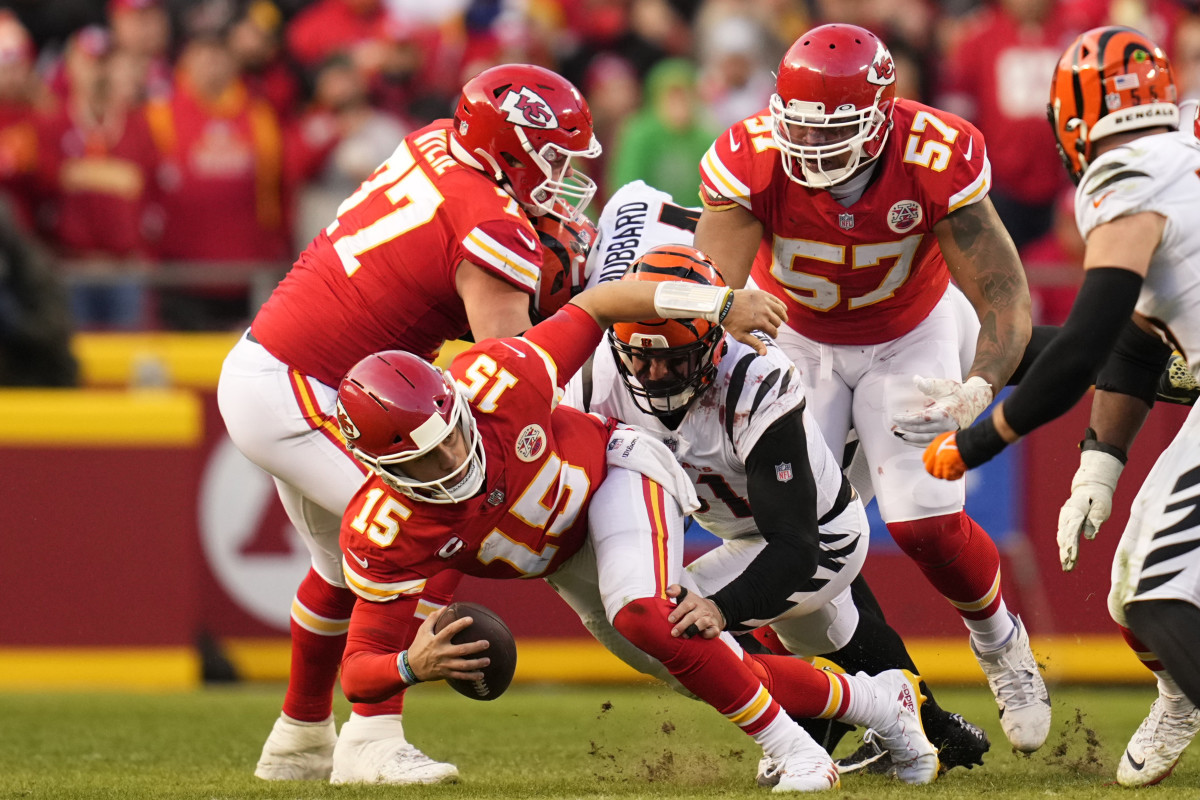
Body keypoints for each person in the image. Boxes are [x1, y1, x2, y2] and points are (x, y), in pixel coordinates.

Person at [334, 270, 940, 792]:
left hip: (617, 472)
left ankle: (798, 751)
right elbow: (358, 671)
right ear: (380, 470)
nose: (451, 461)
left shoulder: (501, 380)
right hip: (566, 562)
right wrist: (409, 665)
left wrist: (719, 303)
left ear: (456, 403)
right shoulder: (383, 530)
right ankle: (880, 702)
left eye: (452, 437)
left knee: (649, 616)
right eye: (423, 461)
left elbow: (600, 302)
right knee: (703, 664)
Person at [217, 63, 601, 784]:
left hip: (285, 369)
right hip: (311, 386)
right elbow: (511, 373)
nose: (563, 176)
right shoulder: (494, 225)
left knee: (340, 569)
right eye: (552, 157)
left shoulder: (437, 140)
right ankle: (371, 739)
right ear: (510, 149)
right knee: (441, 511)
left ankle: (298, 740)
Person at [691, 22, 1051, 754]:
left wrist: (982, 382)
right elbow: (710, 293)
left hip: (910, 330)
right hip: (794, 335)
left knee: (924, 522)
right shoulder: (749, 158)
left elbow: (1005, 293)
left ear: (882, 116)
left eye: (833, 130)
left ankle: (1000, 643)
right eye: (799, 126)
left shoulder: (934, 153)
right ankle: (836, 705)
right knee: (783, 536)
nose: (811, 146)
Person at [571, 180, 991, 775]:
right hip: (745, 534)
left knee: (671, 631)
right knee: (840, 640)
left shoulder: (755, 380)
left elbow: (795, 543)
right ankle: (925, 730)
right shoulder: (600, 375)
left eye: (674, 359)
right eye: (641, 356)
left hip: (819, 537)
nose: (655, 374)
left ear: (713, 346)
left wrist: (722, 607)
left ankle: (813, 733)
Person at [922, 26, 1200, 787]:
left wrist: (980, 439)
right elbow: (1135, 343)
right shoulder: (1182, 150)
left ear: (1074, 120)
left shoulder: (1128, 174)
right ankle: (1181, 693)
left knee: (1153, 590)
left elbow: (1085, 346)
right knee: (1136, 597)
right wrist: (1098, 470)